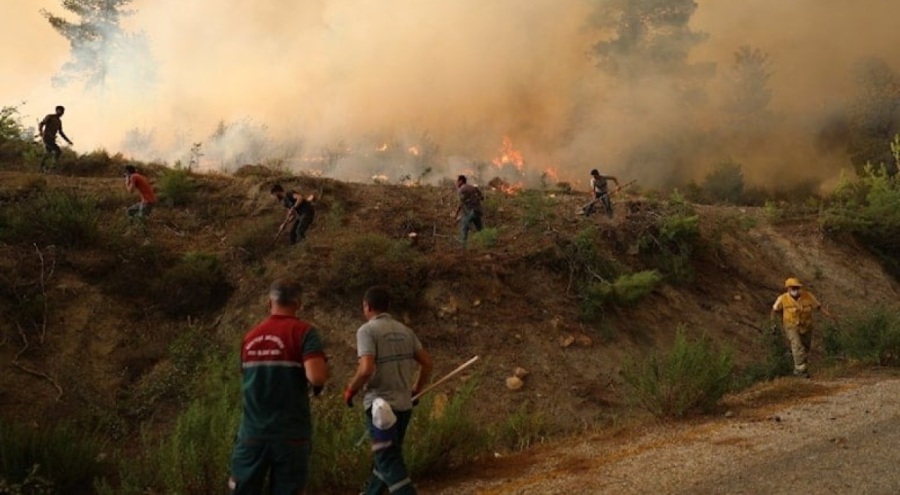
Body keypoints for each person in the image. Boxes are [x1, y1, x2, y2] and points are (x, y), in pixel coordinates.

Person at [229, 279, 329, 495]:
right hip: (290, 435)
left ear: (269, 302)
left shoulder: (250, 337)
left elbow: (245, 376)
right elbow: (317, 378)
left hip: (252, 434)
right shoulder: (304, 333)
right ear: (298, 304)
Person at [344, 286, 433, 495]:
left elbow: (366, 369)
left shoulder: (367, 331)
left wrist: (350, 390)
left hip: (380, 408)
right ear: (387, 306)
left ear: (367, 306)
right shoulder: (405, 331)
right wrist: (415, 390)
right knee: (387, 456)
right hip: (403, 407)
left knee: (387, 458)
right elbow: (428, 364)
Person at [770, 277, 831, 378]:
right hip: (791, 326)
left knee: (805, 348)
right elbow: (774, 310)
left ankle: (799, 364)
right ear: (788, 288)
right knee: (797, 346)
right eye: (793, 288)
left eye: (797, 287)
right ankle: (799, 371)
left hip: (806, 326)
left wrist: (829, 315)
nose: (795, 289)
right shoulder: (783, 299)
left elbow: (818, 307)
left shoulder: (808, 296)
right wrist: (773, 324)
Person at [38, 105, 72, 172]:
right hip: (47, 137)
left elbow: (61, 132)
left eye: (63, 112)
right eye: (61, 111)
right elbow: (41, 124)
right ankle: (52, 167)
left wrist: (68, 141)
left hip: (52, 139)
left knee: (48, 153)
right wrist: (41, 132)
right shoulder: (50, 117)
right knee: (58, 151)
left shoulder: (59, 121)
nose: (62, 113)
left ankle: (42, 167)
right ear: (57, 110)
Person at [454, 175, 484, 248]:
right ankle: (486, 243)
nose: (456, 183)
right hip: (478, 211)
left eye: (457, 181)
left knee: (464, 227)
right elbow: (482, 197)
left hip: (470, 211)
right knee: (480, 229)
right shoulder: (473, 187)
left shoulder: (462, 189)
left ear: (461, 181)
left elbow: (461, 203)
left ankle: (463, 247)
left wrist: (456, 214)